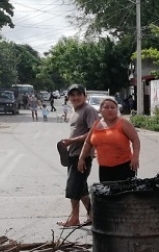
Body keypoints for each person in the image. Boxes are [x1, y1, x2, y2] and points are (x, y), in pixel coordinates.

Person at [56, 84, 99, 228]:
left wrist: (71, 142)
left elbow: (93, 133)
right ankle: (93, 215)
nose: (75, 97)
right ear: (68, 97)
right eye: (72, 95)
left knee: (73, 188)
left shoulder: (89, 110)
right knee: (81, 188)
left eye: (78, 94)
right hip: (73, 154)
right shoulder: (76, 111)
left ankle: (74, 219)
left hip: (82, 156)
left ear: (85, 96)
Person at [77, 98, 140, 182]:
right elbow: (88, 143)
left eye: (113, 107)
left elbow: (135, 139)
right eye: (106, 107)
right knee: (106, 193)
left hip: (124, 167)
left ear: (117, 109)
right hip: (104, 169)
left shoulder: (123, 123)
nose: (110, 110)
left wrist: (135, 157)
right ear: (100, 110)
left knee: (124, 194)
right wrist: (81, 158)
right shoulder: (96, 124)